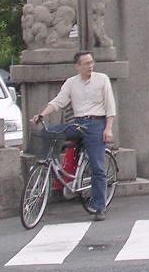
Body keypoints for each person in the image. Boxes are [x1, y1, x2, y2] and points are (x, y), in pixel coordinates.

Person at [31, 50, 116, 219]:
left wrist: (108, 128)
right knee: (49, 131)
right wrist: (42, 114)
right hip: (78, 123)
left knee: (97, 166)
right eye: (86, 63)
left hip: (96, 124)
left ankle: (100, 206)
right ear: (77, 66)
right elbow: (58, 101)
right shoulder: (71, 82)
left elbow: (110, 106)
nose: (90, 66)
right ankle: (49, 163)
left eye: (91, 62)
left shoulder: (102, 79)